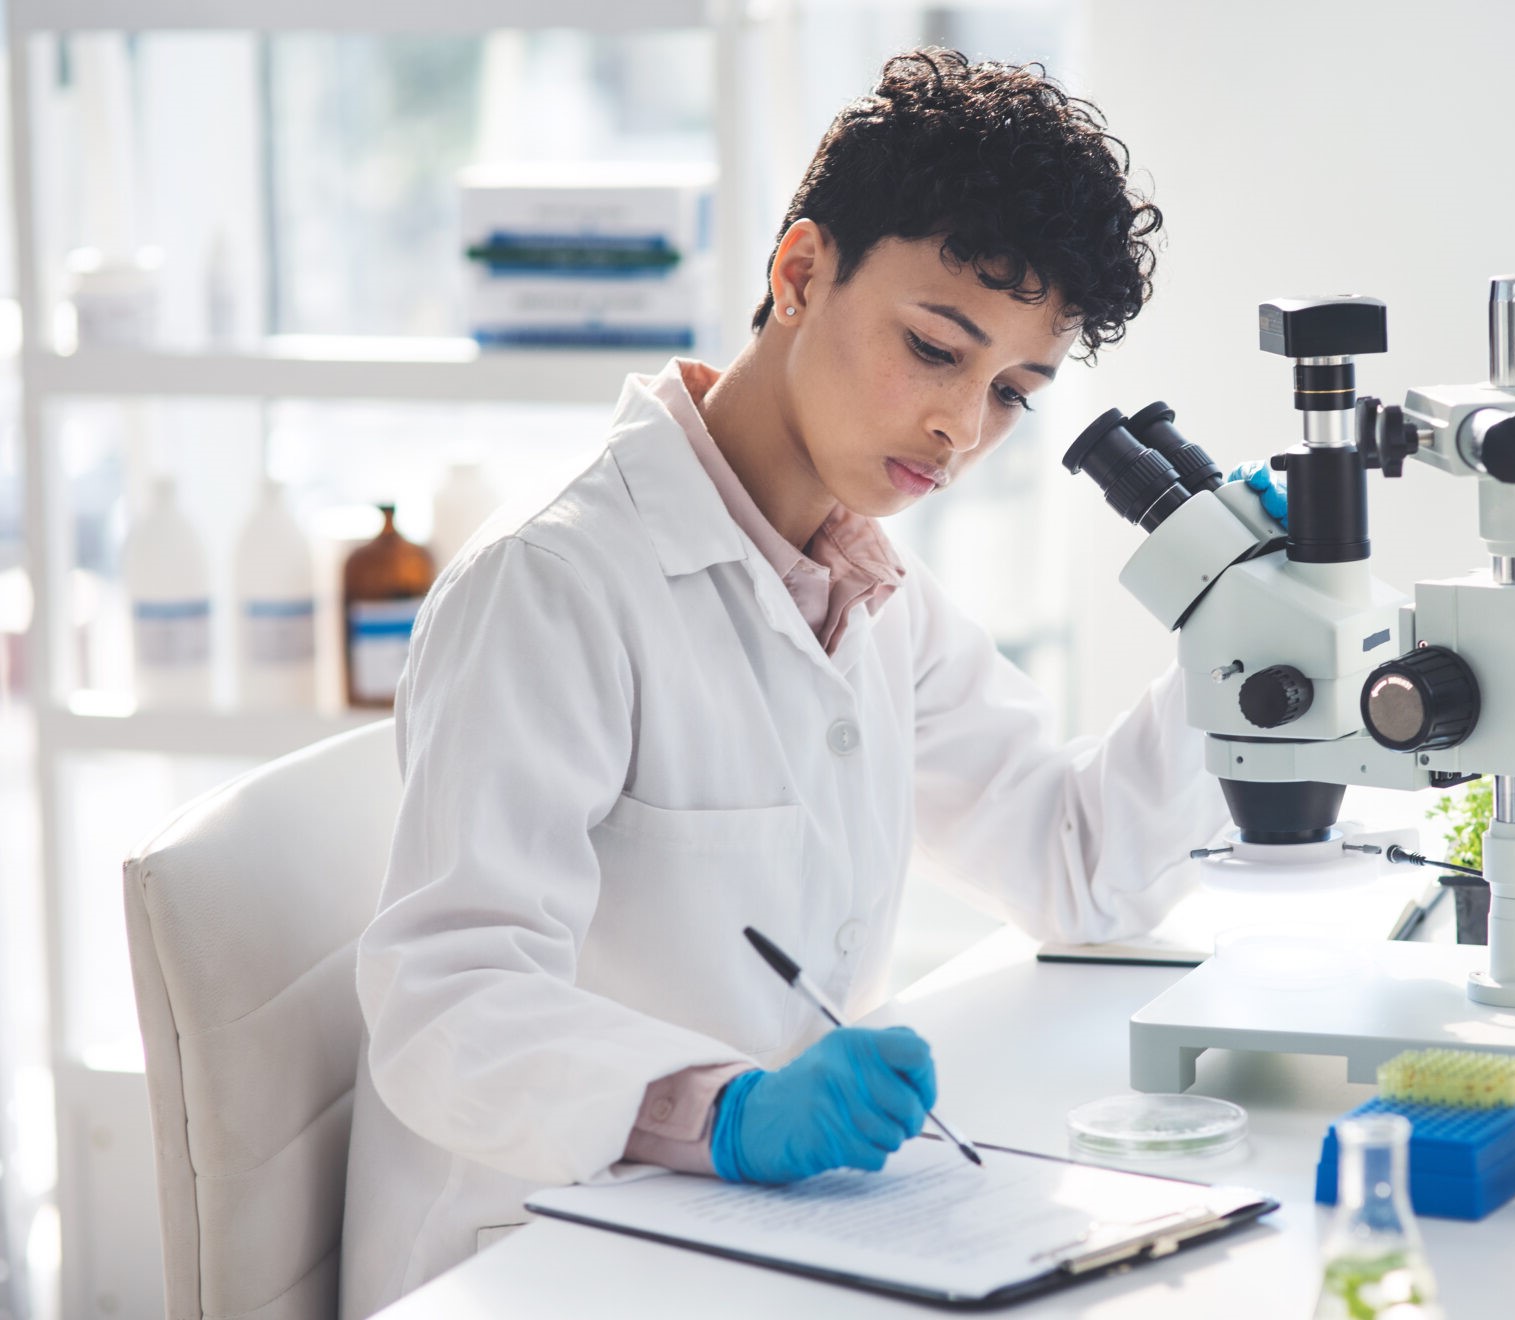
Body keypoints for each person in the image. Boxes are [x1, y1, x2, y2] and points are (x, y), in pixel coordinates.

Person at [339, 48, 1230, 1317]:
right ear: (800, 274)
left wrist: (1231, 647)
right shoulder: (553, 582)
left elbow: (1074, 864)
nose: (960, 429)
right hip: (542, 1251)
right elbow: (445, 1004)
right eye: (934, 348)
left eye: (1012, 395)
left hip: (761, 1237)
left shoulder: (868, 591)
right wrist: (725, 1111)